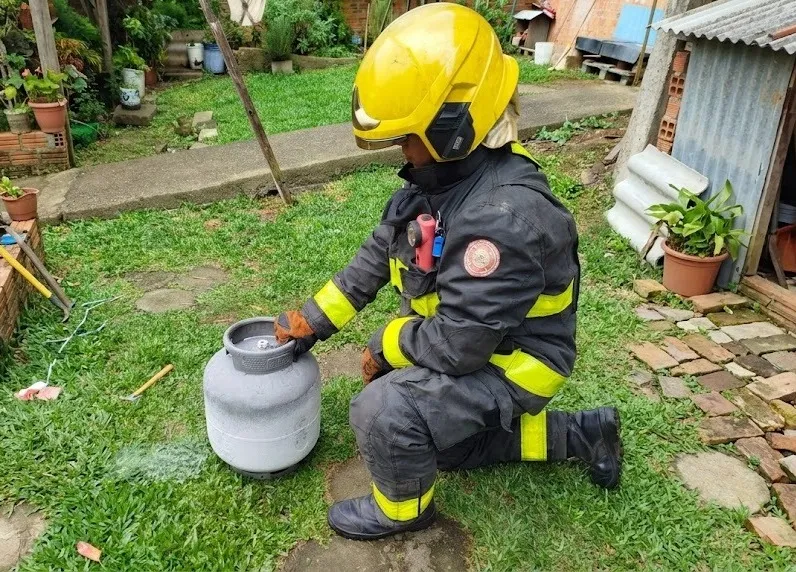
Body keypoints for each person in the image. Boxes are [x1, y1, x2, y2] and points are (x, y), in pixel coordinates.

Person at [275, 3, 621, 541]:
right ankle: (583, 435)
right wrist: (311, 322)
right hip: (483, 343)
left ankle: (404, 510)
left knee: (386, 410)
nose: (401, 151)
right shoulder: (447, 177)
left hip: (517, 362)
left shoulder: (502, 220)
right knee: (447, 445)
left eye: (407, 135)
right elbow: (375, 257)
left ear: (454, 125)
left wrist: (387, 343)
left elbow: (460, 346)